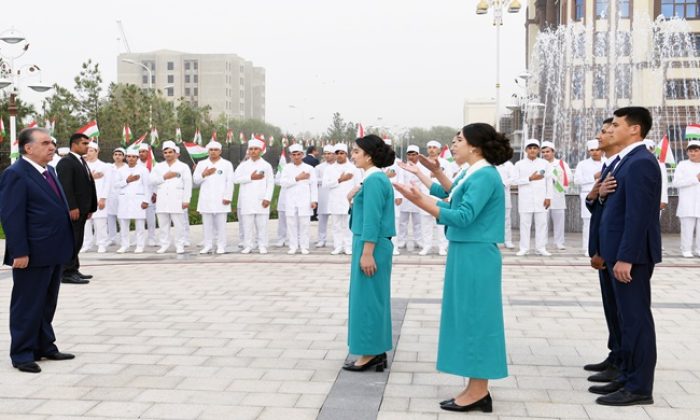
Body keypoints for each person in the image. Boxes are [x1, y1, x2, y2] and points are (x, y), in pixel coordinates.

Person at [394, 123, 511, 412]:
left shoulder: (484, 175)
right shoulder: (474, 172)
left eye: (459, 140)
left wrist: (422, 201)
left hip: (476, 255)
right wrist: (429, 174)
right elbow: (453, 192)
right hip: (466, 251)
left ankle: (479, 391)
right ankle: (475, 386)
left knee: (477, 320)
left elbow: (462, 215)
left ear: (475, 145)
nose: (453, 144)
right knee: (467, 318)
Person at [593, 106, 661, 406]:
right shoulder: (626, 162)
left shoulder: (640, 163)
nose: (611, 129)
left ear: (635, 129)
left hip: (629, 258)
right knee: (627, 320)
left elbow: (639, 216)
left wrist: (626, 258)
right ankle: (627, 376)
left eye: (617, 124)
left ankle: (639, 388)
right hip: (618, 253)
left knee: (636, 321)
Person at [0, 127, 76, 373]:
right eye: (45, 143)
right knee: (27, 304)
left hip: (53, 250)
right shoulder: (16, 174)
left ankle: (44, 344)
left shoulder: (49, 171)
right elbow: (12, 217)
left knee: (47, 302)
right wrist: (19, 252)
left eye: (52, 142)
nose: (52, 147)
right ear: (28, 148)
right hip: (31, 253)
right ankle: (22, 353)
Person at [342, 134, 396, 372]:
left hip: (370, 245)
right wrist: (353, 199)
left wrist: (367, 253)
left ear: (369, 155)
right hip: (369, 243)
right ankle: (375, 349)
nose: (352, 155)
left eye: (356, 151)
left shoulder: (374, 181)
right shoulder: (373, 179)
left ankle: (370, 353)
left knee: (367, 301)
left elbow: (372, 220)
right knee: (372, 298)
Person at [584, 120, 623, 387]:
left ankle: (625, 367)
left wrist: (624, 257)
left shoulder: (636, 163)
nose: (601, 136)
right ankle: (616, 355)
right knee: (612, 309)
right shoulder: (610, 165)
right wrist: (595, 194)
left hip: (619, 253)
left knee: (625, 312)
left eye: (607, 131)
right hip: (606, 251)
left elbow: (630, 216)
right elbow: (599, 209)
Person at [56, 133, 97, 284]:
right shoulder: (66, 162)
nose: (88, 146)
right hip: (74, 210)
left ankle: (74, 268)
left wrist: (90, 206)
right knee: (72, 240)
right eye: (84, 144)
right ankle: (66, 272)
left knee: (77, 240)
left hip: (83, 208)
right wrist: (71, 207)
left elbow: (87, 185)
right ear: (74, 144)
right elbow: (66, 188)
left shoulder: (80, 161)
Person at [149, 141, 193, 254]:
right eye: (165, 152)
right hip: (162, 198)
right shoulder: (158, 167)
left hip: (177, 198)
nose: (168, 154)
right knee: (163, 224)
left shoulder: (183, 167)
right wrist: (164, 177)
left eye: (170, 152)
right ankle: (164, 244)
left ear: (175, 153)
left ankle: (180, 244)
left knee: (179, 224)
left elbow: (188, 184)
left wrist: (186, 199)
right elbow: (151, 181)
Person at [234, 138, 274, 254]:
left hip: (262, 200)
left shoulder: (266, 165)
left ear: (260, 150)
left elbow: (270, 183)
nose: (253, 151)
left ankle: (262, 245)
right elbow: (235, 179)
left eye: (255, 149)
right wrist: (250, 178)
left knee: (262, 225)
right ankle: (248, 245)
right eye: (251, 149)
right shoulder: (243, 165)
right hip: (247, 200)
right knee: (247, 225)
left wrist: (267, 198)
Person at [193, 141, 234, 254]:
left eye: (215, 150)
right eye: (211, 150)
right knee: (207, 225)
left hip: (221, 199)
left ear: (220, 151)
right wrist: (204, 174)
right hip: (206, 199)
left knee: (221, 225)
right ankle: (208, 245)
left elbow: (230, 182)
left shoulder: (226, 164)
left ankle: (221, 245)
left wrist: (227, 196)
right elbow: (195, 180)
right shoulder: (201, 164)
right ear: (208, 151)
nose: (213, 152)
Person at [512, 139, 552, 256]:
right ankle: (524, 248)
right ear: (526, 150)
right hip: (525, 199)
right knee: (525, 224)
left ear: (538, 150)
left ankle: (541, 248)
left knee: (542, 224)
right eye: (530, 148)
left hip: (541, 199)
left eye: (535, 148)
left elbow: (548, 181)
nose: (532, 150)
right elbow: (513, 180)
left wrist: (548, 197)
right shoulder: (519, 164)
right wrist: (529, 179)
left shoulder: (545, 164)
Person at [280, 144, 318, 254]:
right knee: (291, 224)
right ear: (290, 156)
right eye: (294, 155)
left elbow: (313, 185)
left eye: (298, 154)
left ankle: (304, 246)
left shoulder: (309, 168)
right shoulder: (286, 168)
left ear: (302, 155)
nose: (296, 157)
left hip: (305, 200)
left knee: (305, 224)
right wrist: (297, 178)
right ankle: (293, 246)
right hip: (291, 200)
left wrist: (314, 200)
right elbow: (283, 183)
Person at [115, 148, 151, 253]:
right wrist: (127, 180)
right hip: (124, 199)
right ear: (126, 158)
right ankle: (124, 245)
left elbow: (147, 186)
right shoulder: (121, 170)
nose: (131, 159)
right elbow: (115, 185)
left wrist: (146, 200)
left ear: (137, 158)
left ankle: (140, 245)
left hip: (138, 200)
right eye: (129, 156)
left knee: (139, 224)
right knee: (123, 223)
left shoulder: (143, 170)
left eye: (134, 157)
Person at [574, 139, 605, 256]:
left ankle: (602, 247)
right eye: (592, 150)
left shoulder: (608, 162)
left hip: (604, 195)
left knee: (603, 222)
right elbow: (576, 180)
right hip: (588, 195)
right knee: (588, 222)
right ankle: (588, 247)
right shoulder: (582, 164)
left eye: (597, 150)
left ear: (601, 150)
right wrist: (593, 177)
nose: (595, 152)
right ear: (588, 151)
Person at [541, 141, 572, 251]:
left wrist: (556, 180)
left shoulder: (561, 164)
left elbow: (568, 179)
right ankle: (542, 242)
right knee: (543, 221)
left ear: (553, 152)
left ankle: (559, 242)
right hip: (543, 197)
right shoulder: (540, 164)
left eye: (548, 151)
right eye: (543, 152)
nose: (545, 154)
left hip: (557, 196)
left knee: (559, 221)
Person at [81, 142, 112, 254]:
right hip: (85, 199)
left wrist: (103, 198)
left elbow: (107, 183)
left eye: (90, 150)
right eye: (87, 150)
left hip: (99, 198)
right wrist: (91, 177)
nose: (88, 153)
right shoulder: (82, 165)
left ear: (96, 151)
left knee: (100, 222)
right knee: (86, 223)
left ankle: (102, 244)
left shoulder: (104, 166)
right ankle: (86, 244)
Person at [671, 139, 700, 258]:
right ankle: (686, 249)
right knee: (687, 228)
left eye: (696, 151)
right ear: (687, 152)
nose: (693, 153)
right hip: (687, 203)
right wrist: (695, 179)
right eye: (690, 151)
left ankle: (699, 249)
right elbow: (676, 183)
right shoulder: (682, 165)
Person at [397, 145, 424, 251]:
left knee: (418, 222)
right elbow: (399, 181)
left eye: (414, 154)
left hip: (418, 196)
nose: (411, 157)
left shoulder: (422, 167)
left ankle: (419, 241)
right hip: (405, 197)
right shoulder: (402, 167)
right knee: (402, 222)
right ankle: (401, 241)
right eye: (409, 154)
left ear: (418, 155)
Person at [315, 144, 336, 247]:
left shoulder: (338, 166)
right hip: (323, 196)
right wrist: (326, 180)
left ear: (334, 155)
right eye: (325, 154)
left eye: (329, 154)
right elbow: (314, 180)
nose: (327, 156)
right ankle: (321, 239)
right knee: (322, 219)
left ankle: (338, 241)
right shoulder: (319, 167)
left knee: (337, 220)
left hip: (335, 195)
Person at [138, 143, 158, 246]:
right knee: (138, 218)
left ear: (148, 152)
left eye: (144, 151)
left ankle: (152, 238)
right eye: (140, 152)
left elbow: (157, 180)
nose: (141, 153)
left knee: (151, 219)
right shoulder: (134, 164)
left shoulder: (154, 164)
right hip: (137, 195)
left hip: (151, 195)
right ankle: (138, 239)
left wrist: (155, 193)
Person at [106, 148, 126, 248]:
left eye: (120, 154)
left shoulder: (127, 168)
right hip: (110, 197)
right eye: (115, 154)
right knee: (110, 218)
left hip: (122, 196)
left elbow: (127, 181)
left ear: (123, 156)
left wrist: (117, 184)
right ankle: (111, 239)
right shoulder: (109, 167)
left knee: (122, 219)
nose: (117, 156)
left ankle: (124, 239)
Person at [496, 160, 515, 249]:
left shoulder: (508, 164)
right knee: (492, 219)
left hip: (505, 194)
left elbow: (514, 177)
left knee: (506, 219)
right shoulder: (488, 162)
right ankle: (495, 240)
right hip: (491, 194)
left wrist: (503, 183)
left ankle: (508, 241)